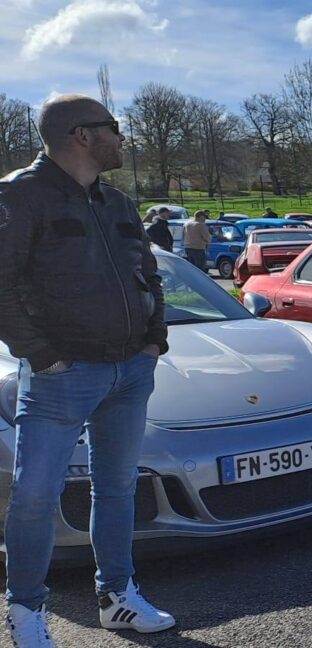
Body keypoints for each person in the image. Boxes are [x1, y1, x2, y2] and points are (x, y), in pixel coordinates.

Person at [0, 94, 176, 648]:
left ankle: (118, 597)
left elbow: (149, 275)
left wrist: (154, 341)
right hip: (61, 376)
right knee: (35, 495)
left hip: (130, 371)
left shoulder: (118, 203)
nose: (122, 138)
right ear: (81, 135)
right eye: (114, 128)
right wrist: (41, 354)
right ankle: (25, 610)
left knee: (118, 487)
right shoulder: (19, 196)